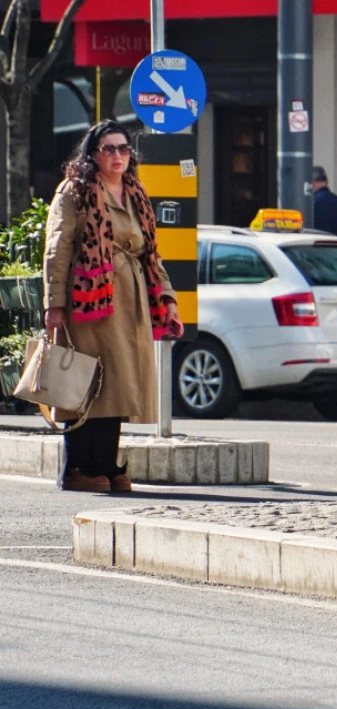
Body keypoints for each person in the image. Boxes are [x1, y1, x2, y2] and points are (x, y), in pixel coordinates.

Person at [43, 120, 183, 493]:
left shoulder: (135, 192)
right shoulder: (75, 190)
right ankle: (78, 468)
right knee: (84, 385)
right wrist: (53, 303)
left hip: (130, 297)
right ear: (92, 153)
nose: (118, 156)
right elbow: (57, 249)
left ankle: (106, 464)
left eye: (124, 149)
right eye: (109, 149)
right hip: (87, 299)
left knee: (119, 386)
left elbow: (151, 253)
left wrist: (167, 300)